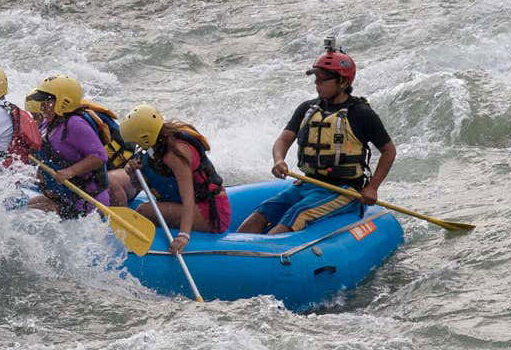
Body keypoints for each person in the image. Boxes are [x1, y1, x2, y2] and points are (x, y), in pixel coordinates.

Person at [237, 39, 396, 234]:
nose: (316, 84)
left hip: (343, 191)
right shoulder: (307, 108)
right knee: (261, 214)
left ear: (343, 82)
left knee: (297, 214)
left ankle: (267, 250)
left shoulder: (361, 113)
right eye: (316, 79)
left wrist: (372, 187)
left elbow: (389, 151)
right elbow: (284, 140)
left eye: (322, 80)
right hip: (308, 184)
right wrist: (279, 160)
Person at [118, 105, 231, 253]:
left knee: (144, 211)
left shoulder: (175, 154)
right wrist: (133, 173)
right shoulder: (155, 147)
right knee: (144, 211)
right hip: (190, 206)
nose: (136, 146)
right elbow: (141, 186)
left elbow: (188, 197)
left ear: (145, 136)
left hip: (211, 213)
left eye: (136, 141)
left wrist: (184, 235)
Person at [27, 75, 111, 219]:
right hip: (67, 195)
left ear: (64, 102)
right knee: (31, 205)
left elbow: (99, 156)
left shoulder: (75, 123)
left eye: (47, 102)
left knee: (36, 215)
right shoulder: (50, 123)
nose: (42, 107)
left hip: (87, 200)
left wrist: (70, 172)